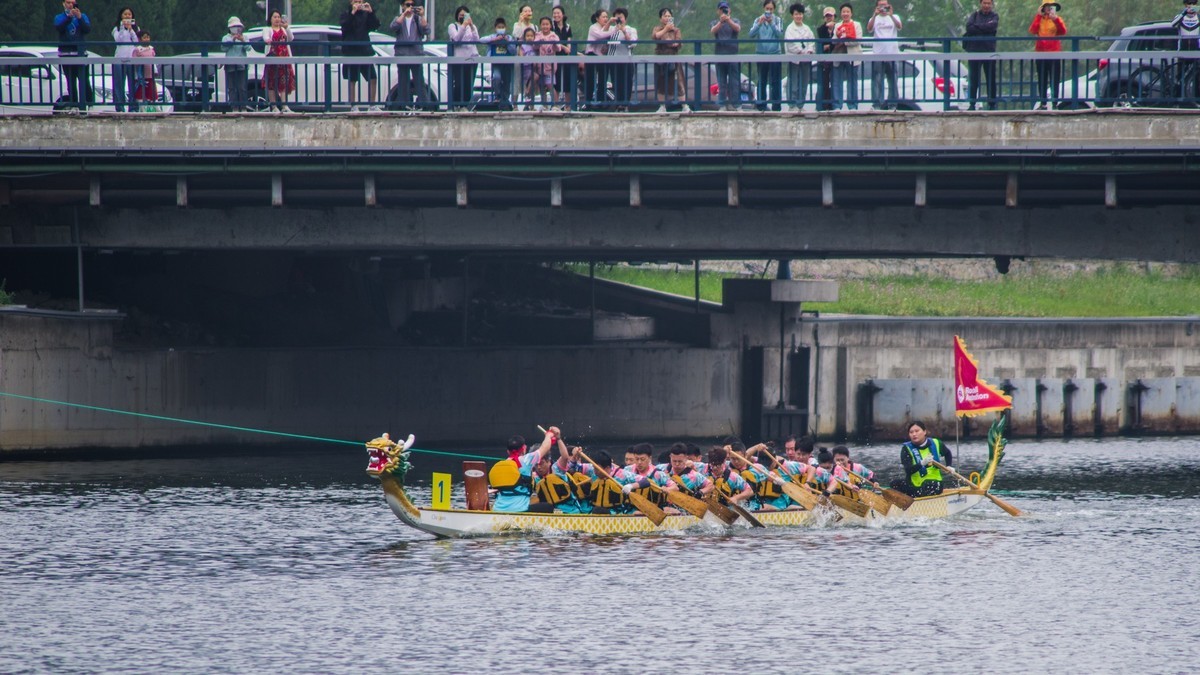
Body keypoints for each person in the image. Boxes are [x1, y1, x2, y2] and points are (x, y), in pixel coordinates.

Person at [491, 427, 560, 512]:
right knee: (548, 507)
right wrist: (549, 434)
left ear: (508, 452)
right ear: (524, 448)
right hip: (519, 510)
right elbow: (545, 447)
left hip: (498, 509)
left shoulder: (501, 465)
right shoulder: (527, 460)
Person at [891, 420, 953, 498]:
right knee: (895, 484)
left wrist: (949, 466)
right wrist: (921, 463)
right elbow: (908, 470)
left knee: (928, 485)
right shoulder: (906, 449)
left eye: (917, 431)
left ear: (924, 432)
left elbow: (947, 453)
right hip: (915, 485)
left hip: (934, 483)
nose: (914, 434)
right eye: (911, 432)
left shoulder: (936, 443)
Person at [341, 0, 382, 112]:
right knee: (352, 79)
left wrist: (371, 12)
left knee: (373, 77)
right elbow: (345, 27)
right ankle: (353, 105)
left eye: (360, 1)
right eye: (356, 1)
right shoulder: (346, 14)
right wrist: (352, 13)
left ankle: (372, 105)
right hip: (351, 52)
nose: (358, 3)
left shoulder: (365, 14)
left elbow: (375, 26)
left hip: (364, 51)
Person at [391, 0, 432, 111]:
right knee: (403, 81)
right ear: (403, 6)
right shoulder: (399, 18)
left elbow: (427, 30)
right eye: (408, 5)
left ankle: (424, 105)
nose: (410, 7)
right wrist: (404, 14)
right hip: (402, 54)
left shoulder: (417, 19)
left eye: (412, 5)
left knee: (419, 81)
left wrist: (422, 15)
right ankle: (404, 105)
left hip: (416, 54)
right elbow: (393, 27)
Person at [1028, 0, 1066, 110]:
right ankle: (1043, 102)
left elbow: (1063, 31)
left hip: (1054, 53)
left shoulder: (1057, 19)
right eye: (1047, 7)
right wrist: (1038, 16)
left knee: (1055, 78)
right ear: (1043, 8)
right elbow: (1033, 30)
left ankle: (1055, 102)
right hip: (1041, 53)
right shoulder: (1040, 19)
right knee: (1042, 78)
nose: (1049, 9)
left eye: (1051, 7)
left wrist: (1056, 20)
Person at [54, 0, 91, 111]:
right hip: (66, 54)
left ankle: (88, 104)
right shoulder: (59, 17)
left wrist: (79, 18)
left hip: (80, 54)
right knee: (71, 81)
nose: (70, 5)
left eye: (72, 3)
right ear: (63, 3)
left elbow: (87, 29)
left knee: (84, 80)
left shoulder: (82, 16)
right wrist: (69, 17)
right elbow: (59, 28)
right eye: (68, 2)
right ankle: (74, 104)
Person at [963, 0, 999, 111]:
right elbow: (969, 28)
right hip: (975, 51)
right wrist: (984, 27)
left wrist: (977, 27)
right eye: (984, 3)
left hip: (989, 52)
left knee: (991, 79)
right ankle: (972, 104)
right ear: (981, 4)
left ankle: (992, 104)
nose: (986, 5)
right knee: (974, 79)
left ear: (992, 4)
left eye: (989, 3)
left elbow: (992, 27)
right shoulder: (974, 15)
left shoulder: (995, 16)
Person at [749, 0, 784, 111]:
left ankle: (776, 105)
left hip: (775, 54)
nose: (769, 11)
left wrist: (771, 23)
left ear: (773, 10)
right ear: (764, 9)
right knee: (762, 80)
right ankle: (761, 104)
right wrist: (759, 24)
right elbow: (751, 34)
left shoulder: (778, 20)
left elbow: (780, 34)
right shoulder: (757, 20)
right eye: (767, 9)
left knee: (775, 81)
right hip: (761, 54)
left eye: (771, 9)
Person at [621, 443, 677, 511]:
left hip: (653, 510)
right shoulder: (627, 470)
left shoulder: (658, 474)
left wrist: (668, 489)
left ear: (649, 458)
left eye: (642, 459)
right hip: (630, 510)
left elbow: (675, 487)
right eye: (636, 459)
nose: (639, 462)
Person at [866, 0, 901, 110]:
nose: (883, 7)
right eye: (880, 5)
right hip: (878, 54)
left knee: (893, 80)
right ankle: (877, 104)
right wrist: (874, 15)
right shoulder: (875, 18)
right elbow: (869, 29)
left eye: (885, 5)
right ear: (877, 6)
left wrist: (891, 15)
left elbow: (899, 27)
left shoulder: (894, 16)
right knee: (877, 80)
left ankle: (892, 104)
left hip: (892, 53)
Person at [652, 8, 688, 113]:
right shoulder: (657, 28)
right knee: (661, 82)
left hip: (673, 57)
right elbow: (655, 36)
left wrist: (674, 43)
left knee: (679, 81)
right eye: (665, 16)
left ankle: (684, 105)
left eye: (669, 16)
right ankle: (662, 106)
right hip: (661, 58)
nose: (667, 18)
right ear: (660, 18)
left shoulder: (676, 30)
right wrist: (666, 29)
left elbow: (679, 41)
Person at [711, 1, 743, 111]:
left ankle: (736, 104)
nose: (724, 11)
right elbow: (713, 31)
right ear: (718, 11)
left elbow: (737, 29)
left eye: (726, 9)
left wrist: (728, 20)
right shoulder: (715, 22)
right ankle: (722, 104)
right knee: (721, 82)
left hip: (733, 55)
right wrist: (721, 22)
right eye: (721, 9)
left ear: (729, 10)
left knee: (734, 81)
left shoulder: (735, 20)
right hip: (720, 55)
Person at [447, 6, 480, 111]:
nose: (463, 17)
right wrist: (464, 25)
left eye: (465, 15)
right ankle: (457, 104)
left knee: (468, 83)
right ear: (457, 16)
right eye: (461, 15)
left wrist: (471, 26)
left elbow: (476, 39)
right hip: (459, 59)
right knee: (459, 83)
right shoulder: (453, 26)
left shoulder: (471, 26)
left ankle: (465, 105)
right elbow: (456, 39)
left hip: (472, 59)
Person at [262, 11, 296, 113]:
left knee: (284, 82)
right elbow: (266, 38)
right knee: (271, 83)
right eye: (275, 17)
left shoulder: (283, 30)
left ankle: (284, 105)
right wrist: (268, 40)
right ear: (271, 19)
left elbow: (291, 38)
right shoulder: (267, 29)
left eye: (278, 17)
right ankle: (273, 106)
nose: (277, 19)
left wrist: (287, 27)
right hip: (273, 59)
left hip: (284, 60)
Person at [784, 3, 815, 112]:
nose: (799, 16)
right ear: (792, 15)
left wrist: (810, 50)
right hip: (794, 59)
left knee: (804, 82)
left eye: (800, 14)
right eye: (796, 14)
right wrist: (801, 51)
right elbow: (791, 44)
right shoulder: (790, 29)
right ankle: (792, 105)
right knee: (793, 82)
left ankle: (800, 105)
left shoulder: (807, 28)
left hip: (806, 59)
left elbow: (812, 41)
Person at [830, 2, 862, 110]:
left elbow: (857, 41)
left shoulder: (856, 25)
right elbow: (833, 41)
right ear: (841, 13)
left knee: (852, 81)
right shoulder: (838, 25)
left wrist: (844, 41)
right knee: (837, 81)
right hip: (839, 55)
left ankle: (852, 105)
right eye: (843, 12)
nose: (845, 13)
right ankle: (837, 105)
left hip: (852, 55)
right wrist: (838, 37)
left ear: (851, 13)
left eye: (848, 11)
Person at [482, 17, 518, 109]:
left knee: (507, 82)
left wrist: (507, 42)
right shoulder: (493, 37)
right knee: (497, 77)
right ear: (495, 28)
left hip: (507, 64)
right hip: (496, 63)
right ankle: (497, 95)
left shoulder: (509, 37)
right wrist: (494, 40)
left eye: (502, 27)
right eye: (499, 27)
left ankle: (505, 100)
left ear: (505, 27)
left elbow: (514, 51)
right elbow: (481, 40)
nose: (501, 28)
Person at [606, 8, 637, 111]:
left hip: (627, 60)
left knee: (627, 83)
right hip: (613, 60)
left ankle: (625, 104)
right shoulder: (611, 29)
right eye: (617, 17)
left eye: (621, 17)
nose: (619, 20)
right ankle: (618, 104)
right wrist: (609, 22)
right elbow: (601, 35)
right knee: (616, 83)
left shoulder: (631, 29)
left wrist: (623, 31)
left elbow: (633, 43)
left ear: (625, 18)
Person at [584, 10, 617, 109]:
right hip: (592, 54)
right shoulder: (593, 27)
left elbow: (614, 31)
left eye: (607, 17)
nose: (606, 19)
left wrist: (615, 25)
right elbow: (600, 35)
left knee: (603, 79)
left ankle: (601, 101)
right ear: (597, 18)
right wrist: (612, 27)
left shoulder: (609, 28)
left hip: (603, 56)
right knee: (590, 79)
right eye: (603, 17)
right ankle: (588, 102)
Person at [534, 17, 566, 109]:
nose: (545, 26)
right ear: (540, 25)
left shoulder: (554, 36)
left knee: (550, 85)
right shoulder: (538, 35)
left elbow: (558, 48)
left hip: (550, 66)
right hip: (540, 65)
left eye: (547, 24)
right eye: (543, 24)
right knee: (541, 87)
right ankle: (544, 105)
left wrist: (554, 44)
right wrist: (539, 42)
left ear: (550, 25)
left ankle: (555, 104)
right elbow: (534, 46)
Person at [111, 8, 139, 113]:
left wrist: (131, 29)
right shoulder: (116, 28)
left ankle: (133, 107)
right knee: (119, 85)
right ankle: (120, 107)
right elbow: (119, 40)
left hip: (132, 59)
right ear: (121, 16)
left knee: (133, 84)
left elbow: (137, 41)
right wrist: (123, 27)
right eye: (125, 14)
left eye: (129, 14)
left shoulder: (136, 28)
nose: (127, 16)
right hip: (119, 59)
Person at [222, 16, 252, 112]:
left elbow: (248, 48)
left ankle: (243, 106)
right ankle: (234, 106)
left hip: (242, 65)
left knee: (242, 87)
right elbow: (223, 48)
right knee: (232, 87)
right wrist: (233, 40)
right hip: (230, 65)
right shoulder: (226, 38)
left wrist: (242, 40)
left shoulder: (245, 37)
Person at [549, 7, 574, 106]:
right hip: (555, 54)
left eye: (558, 13)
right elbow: (553, 40)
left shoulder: (567, 26)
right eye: (554, 13)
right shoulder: (551, 26)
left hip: (566, 56)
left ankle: (568, 105)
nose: (556, 15)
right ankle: (555, 105)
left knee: (568, 80)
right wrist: (563, 47)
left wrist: (568, 48)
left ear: (562, 14)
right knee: (556, 81)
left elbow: (569, 40)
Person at [815, 7, 837, 110]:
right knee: (824, 83)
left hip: (835, 59)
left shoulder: (839, 27)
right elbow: (822, 45)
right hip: (824, 61)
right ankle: (823, 105)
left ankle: (833, 104)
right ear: (824, 17)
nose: (829, 18)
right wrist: (830, 44)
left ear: (834, 17)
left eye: (831, 16)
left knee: (835, 82)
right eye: (827, 16)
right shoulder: (821, 29)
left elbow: (837, 44)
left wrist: (830, 45)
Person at [131, 30, 158, 107]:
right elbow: (135, 62)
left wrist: (155, 71)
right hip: (141, 76)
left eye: (148, 37)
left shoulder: (151, 49)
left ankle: (153, 108)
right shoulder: (137, 50)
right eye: (145, 37)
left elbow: (154, 61)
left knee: (151, 92)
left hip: (150, 75)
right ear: (139, 39)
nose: (147, 39)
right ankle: (141, 108)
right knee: (141, 93)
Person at [519, 27, 539, 109]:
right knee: (532, 80)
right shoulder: (523, 46)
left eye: (531, 36)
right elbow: (521, 55)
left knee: (532, 88)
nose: (529, 37)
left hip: (534, 68)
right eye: (527, 36)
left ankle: (531, 106)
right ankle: (527, 93)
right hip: (526, 68)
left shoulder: (535, 46)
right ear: (524, 37)